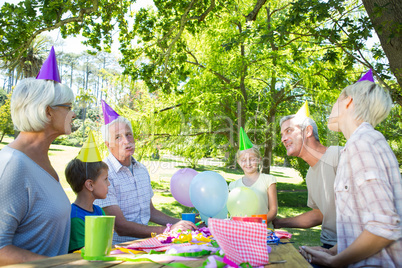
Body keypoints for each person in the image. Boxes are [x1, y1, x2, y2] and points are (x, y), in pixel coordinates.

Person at [301, 81, 402, 267]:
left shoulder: (362, 143)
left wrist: (336, 261)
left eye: (336, 101)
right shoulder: (358, 144)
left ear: (348, 101)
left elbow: (384, 226)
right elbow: (364, 223)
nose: (331, 108)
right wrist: (332, 251)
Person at [0, 63, 76, 264]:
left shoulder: (43, 162)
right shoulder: (11, 166)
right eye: (68, 108)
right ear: (48, 112)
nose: (74, 114)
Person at [94, 102, 196, 244]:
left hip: (147, 245)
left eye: (129, 134)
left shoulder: (141, 170)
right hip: (120, 251)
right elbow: (120, 227)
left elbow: (150, 212)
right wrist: (168, 230)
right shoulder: (103, 175)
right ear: (108, 144)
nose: (126, 141)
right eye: (118, 137)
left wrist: (184, 224)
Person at [273, 113, 341, 249]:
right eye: (281, 135)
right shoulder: (310, 174)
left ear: (308, 131)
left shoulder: (338, 156)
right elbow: (319, 214)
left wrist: (335, 254)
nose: (283, 139)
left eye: (289, 131)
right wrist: (278, 223)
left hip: (349, 248)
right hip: (328, 245)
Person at [65, 132, 110, 253]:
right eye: (105, 179)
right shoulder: (75, 218)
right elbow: (80, 257)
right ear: (90, 185)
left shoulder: (99, 212)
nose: (109, 184)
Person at [228, 128, 277, 226]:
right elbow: (232, 212)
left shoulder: (268, 180)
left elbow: (273, 210)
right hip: (240, 231)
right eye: (243, 160)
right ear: (238, 162)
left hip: (263, 231)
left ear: (259, 160)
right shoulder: (233, 186)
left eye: (252, 159)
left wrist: (257, 224)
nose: (248, 163)